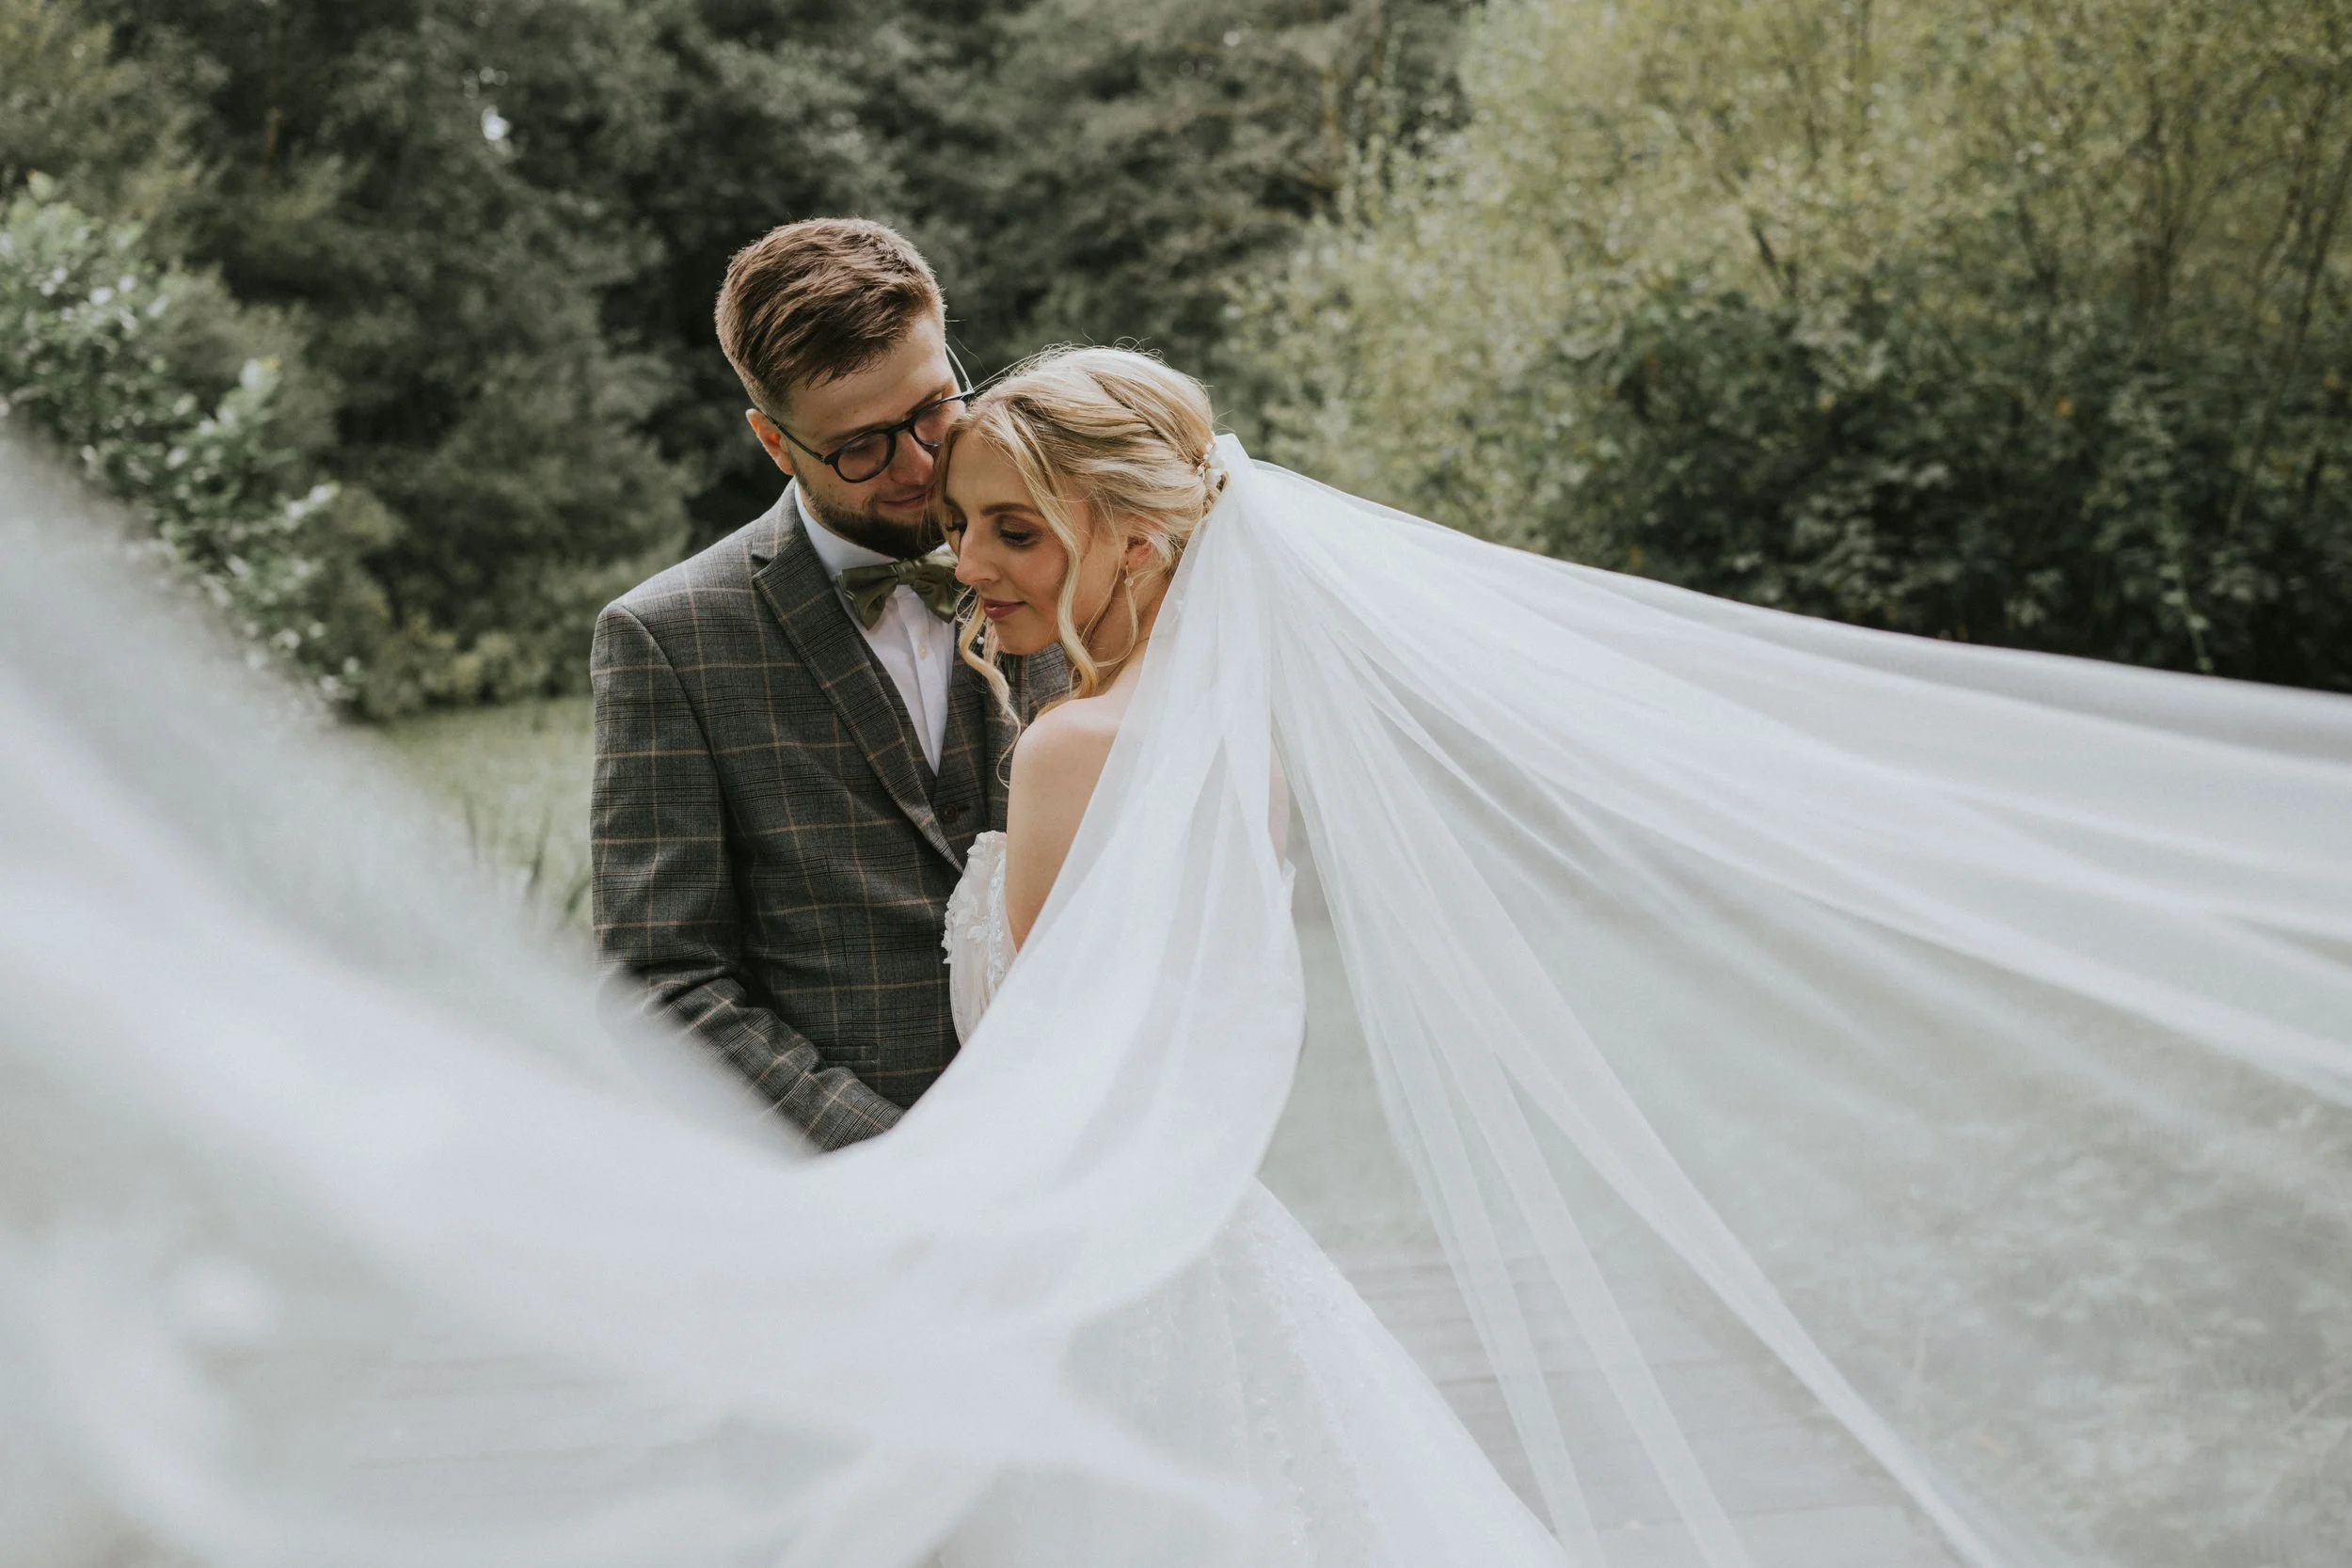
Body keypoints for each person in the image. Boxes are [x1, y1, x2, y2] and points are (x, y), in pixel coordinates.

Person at [590, 218, 1063, 1151]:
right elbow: (661, 980)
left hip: (1092, 1165)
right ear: (774, 442)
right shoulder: (667, 638)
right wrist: (894, 1167)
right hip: (852, 1216)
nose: (921, 464)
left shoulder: (1074, 562)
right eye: (861, 447)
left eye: (934, 407)